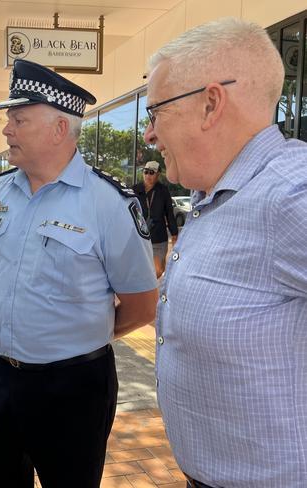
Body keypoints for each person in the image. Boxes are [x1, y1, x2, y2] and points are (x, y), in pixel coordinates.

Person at [0, 59, 158, 488]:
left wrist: (76, 336)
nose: (7, 130)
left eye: (18, 119)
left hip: (72, 389)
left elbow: (142, 304)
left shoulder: (107, 202)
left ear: (59, 129)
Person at [144, 17, 307, 487]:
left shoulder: (288, 192)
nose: (150, 134)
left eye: (155, 112)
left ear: (211, 103)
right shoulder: (214, 193)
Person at [132, 160, 178, 277]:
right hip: (139, 238)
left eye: (151, 173)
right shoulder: (134, 190)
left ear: (158, 175)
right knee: (141, 271)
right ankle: (146, 293)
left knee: (158, 270)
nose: (148, 175)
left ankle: (149, 290)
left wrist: (174, 234)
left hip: (158, 238)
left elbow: (169, 213)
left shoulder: (163, 191)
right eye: (145, 172)